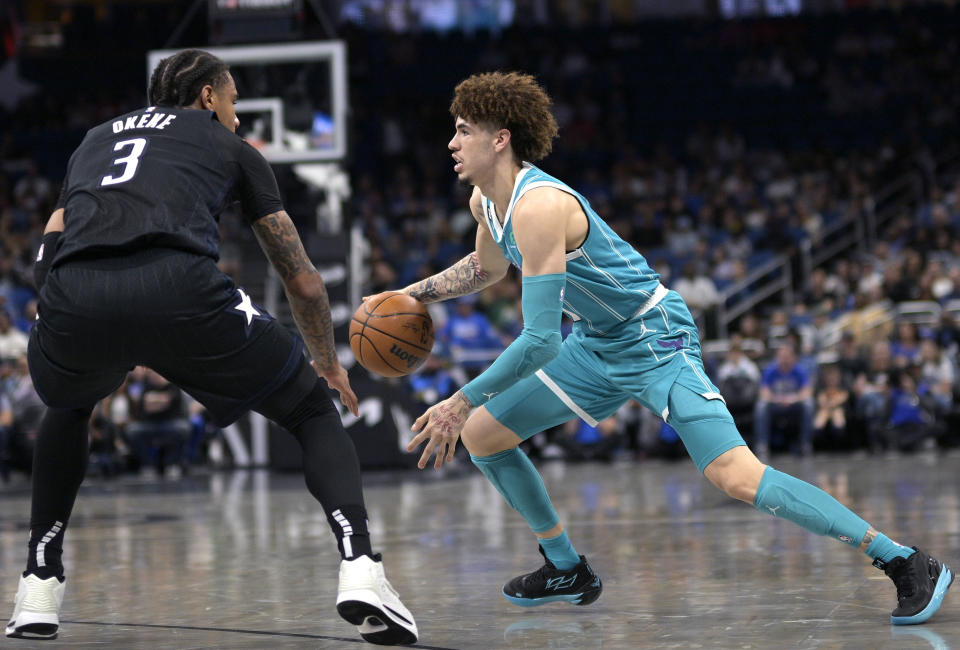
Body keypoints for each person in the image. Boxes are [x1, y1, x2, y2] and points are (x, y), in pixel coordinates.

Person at [367, 71, 952, 624]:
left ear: (500, 139)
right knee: (485, 436)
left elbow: (542, 340)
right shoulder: (485, 205)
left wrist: (459, 399)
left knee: (735, 476)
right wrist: (408, 294)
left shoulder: (540, 206)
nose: (451, 142)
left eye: (463, 129)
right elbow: (485, 268)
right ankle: (567, 569)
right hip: (597, 343)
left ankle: (901, 559)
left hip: (653, 338)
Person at [5, 49, 416, 645]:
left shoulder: (93, 140)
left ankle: (37, 587)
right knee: (308, 409)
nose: (239, 117)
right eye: (233, 101)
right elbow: (300, 278)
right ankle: (362, 570)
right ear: (207, 98)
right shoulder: (234, 149)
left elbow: (51, 237)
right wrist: (326, 362)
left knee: (68, 406)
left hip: (76, 293)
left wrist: (77, 304)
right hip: (181, 286)